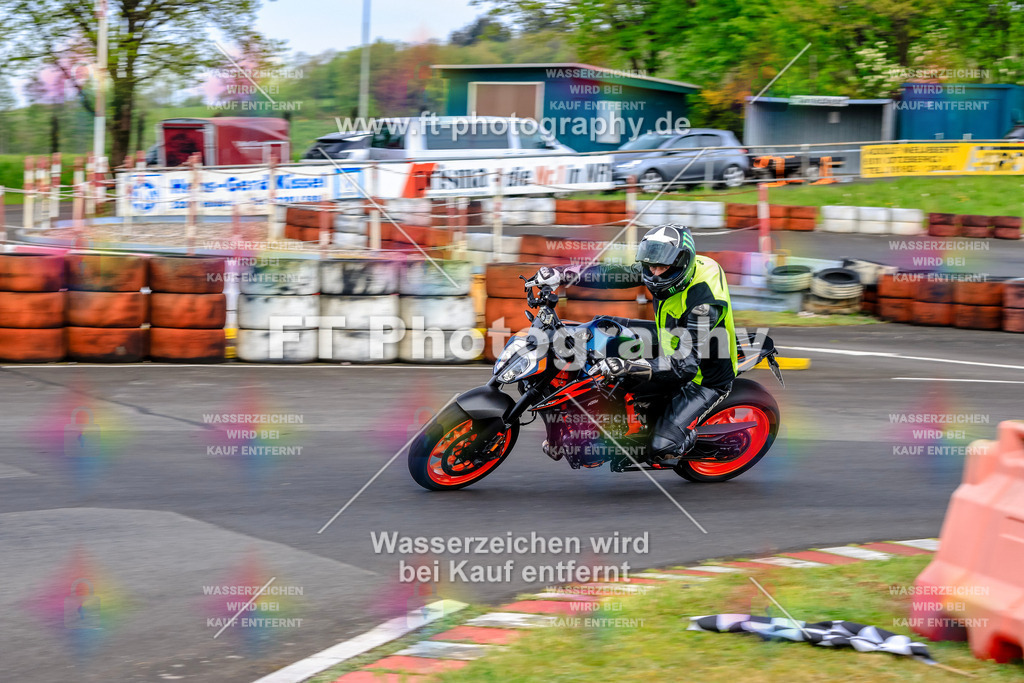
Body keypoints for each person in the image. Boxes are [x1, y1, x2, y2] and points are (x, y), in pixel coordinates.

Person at [531, 224, 737, 464]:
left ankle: (683, 439)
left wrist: (627, 366)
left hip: (702, 376)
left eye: (662, 268)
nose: (656, 273)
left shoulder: (703, 306)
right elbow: (611, 274)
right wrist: (563, 274)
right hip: (669, 338)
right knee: (601, 329)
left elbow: (685, 366)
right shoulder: (665, 264)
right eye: (651, 266)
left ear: (682, 263)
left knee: (661, 448)